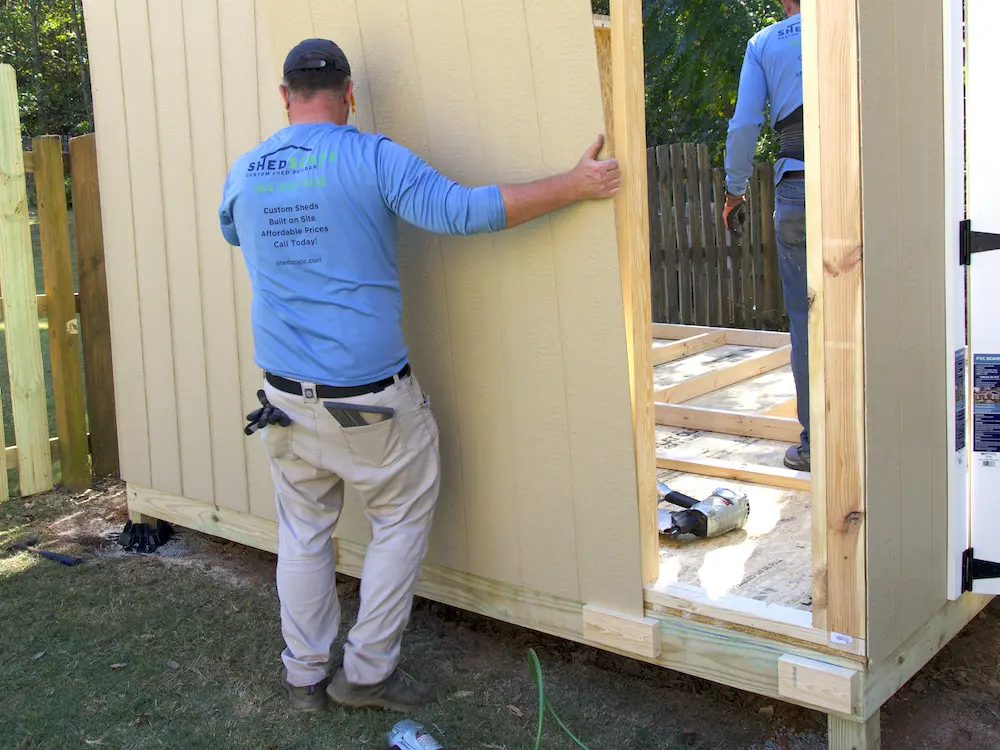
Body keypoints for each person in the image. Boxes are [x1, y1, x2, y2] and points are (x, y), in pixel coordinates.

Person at [217, 38, 621, 714]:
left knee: (304, 532)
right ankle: (367, 674)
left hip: (285, 399)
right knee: (399, 518)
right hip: (366, 406)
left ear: (285, 97)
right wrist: (574, 184)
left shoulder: (247, 169)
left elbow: (234, 231)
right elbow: (462, 212)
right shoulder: (372, 157)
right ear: (349, 95)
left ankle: (304, 675)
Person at [722, 0, 809, 472]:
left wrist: (734, 192)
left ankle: (816, 444)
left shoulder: (763, 43)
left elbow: (744, 125)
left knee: (806, 321)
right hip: (854, 185)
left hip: (797, 189)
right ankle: (872, 436)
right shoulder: (852, 25)